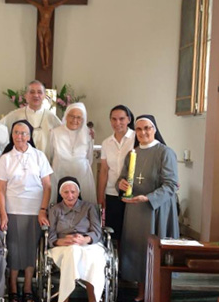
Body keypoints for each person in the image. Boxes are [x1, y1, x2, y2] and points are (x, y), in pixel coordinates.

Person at [117, 114, 179, 302]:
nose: (143, 132)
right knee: (138, 250)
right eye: (139, 129)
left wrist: (149, 198)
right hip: (135, 210)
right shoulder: (132, 153)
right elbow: (122, 179)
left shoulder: (165, 152)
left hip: (156, 210)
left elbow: (171, 184)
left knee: (154, 252)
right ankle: (141, 290)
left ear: (154, 129)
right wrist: (120, 185)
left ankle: (158, 292)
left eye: (147, 128)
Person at [0, 120, 53, 302]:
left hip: (34, 210)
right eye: (16, 132)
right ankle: (12, 287)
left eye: (24, 133)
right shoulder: (6, 158)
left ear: (29, 136)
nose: (20, 136)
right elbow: (1, 189)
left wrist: (42, 210)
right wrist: (3, 213)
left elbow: (47, 186)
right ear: (12, 135)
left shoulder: (39, 156)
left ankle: (27, 287)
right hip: (12, 209)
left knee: (30, 249)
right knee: (13, 248)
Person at [48, 177, 105, 302]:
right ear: (60, 193)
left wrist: (85, 240)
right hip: (64, 246)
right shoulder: (55, 210)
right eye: (66, 192)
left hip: (88, 244)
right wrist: (61, 241)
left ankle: (93, 299)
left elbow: (97, 232)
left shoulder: (89, 207)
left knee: (94, 259)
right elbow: (51, 236)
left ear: (78, 193)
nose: (70, 195)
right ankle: (65, 299)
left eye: (73, 192)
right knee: (72, 251)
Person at [97, 105, 135, 240]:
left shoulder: (136, 138)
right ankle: (115, 258)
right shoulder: (106, 143)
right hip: (112, 192)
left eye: (121, 119)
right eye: (114, 119)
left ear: (129, 119)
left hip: (132, 192)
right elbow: (104, 171)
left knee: (131, 231)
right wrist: (100, 196)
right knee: (113, 232)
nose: (117, 123)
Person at [0, 80, 61, 159]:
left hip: (44, 163)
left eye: (39, 92)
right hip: (20, 163)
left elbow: (63, 135)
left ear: (44, 95)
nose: (36, 95)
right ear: (26, 96)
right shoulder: (15, 115)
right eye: (32, 92)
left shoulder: (51, 117)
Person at [49, 102, 96, 205]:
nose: (75, 120)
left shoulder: (88, 134)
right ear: (66, 116)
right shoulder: (55, 133)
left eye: (79, 117)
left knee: (83, 212)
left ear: (83, 119)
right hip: (59, 174)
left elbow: (89, 158)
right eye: (72, 116)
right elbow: (50, 156)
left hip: (82, 177)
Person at [19, 0, 74, 69]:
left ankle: (47, 62)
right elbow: (31, 1)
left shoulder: (51, 8)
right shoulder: (40, 8)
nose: (44, 2)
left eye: (45, 0)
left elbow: (60, 2)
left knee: (46, 44)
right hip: (41, 28)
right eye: (43, 0)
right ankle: (43, 62)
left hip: (47, 28)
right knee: (41, 44)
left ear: (47, 1)